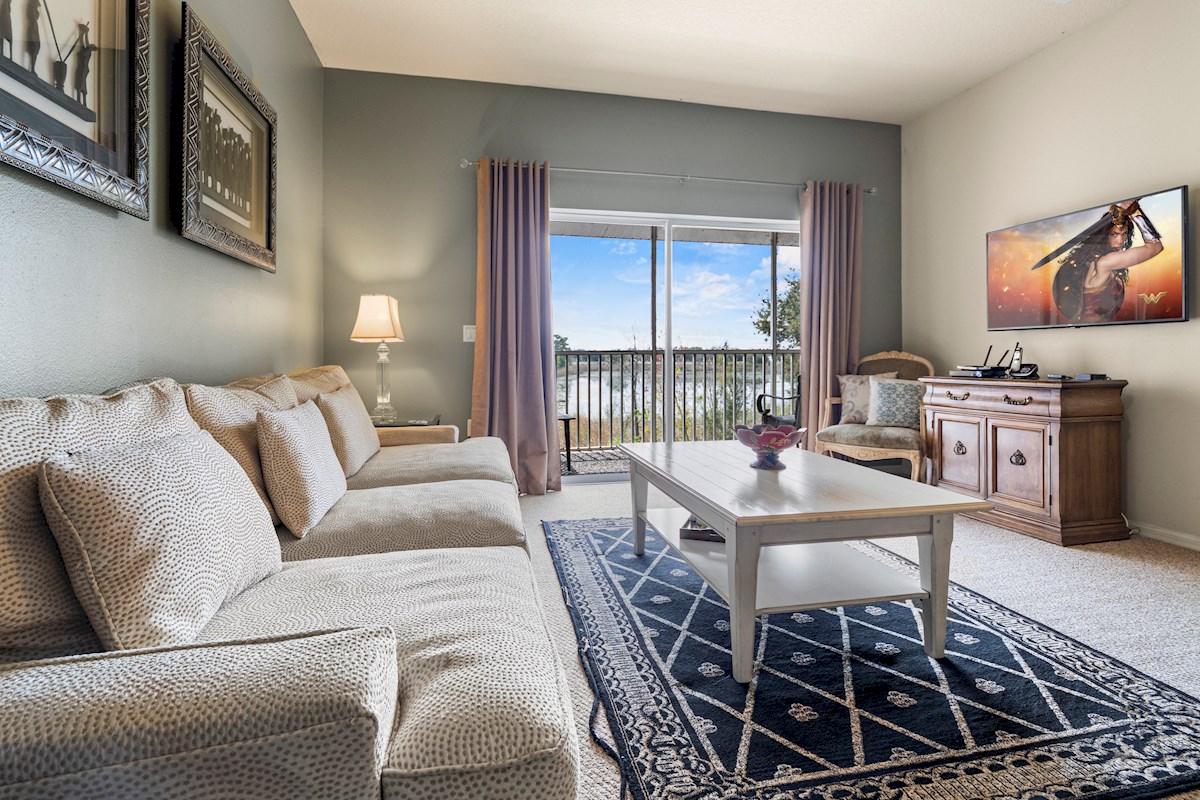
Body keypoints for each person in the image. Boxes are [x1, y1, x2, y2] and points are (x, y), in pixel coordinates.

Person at [1051, 199, 1164, 323]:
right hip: (1093, 323)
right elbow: (1155, 247)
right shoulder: (1106, 262)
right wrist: (1135, 212)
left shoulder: (1093, 258)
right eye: (1114, 235)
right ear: (1104, 235)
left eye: (1124, 234)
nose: (1120, 241)